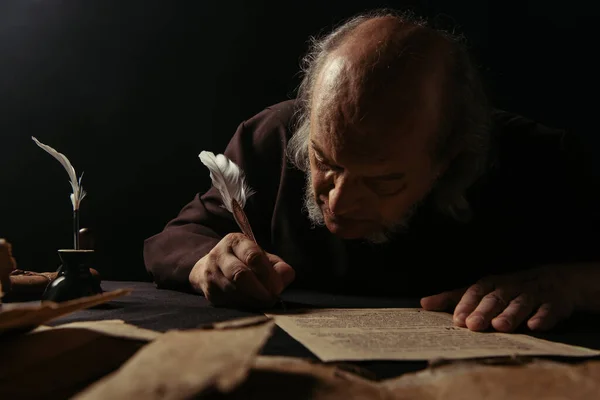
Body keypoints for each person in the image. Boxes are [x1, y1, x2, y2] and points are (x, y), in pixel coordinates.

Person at [143, 10, 600, 333]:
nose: (337, 202)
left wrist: (575, 285)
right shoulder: (275, 137)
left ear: (450, 161)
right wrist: (209, 263)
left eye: (383, 181)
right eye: (324, 161)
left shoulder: (538, 161)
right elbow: (174, 240)